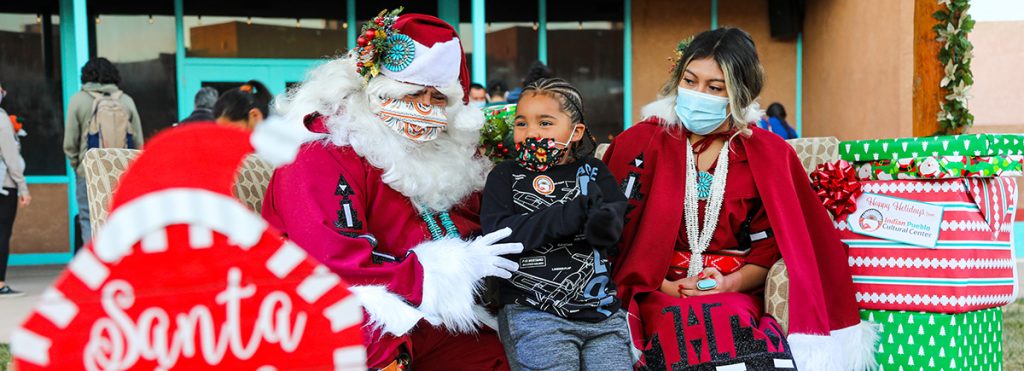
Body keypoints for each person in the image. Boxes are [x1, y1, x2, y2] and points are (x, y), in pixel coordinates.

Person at [602, 28, 877, 370]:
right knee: (671, 330)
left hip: (731, 295)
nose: (697, 93)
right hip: (653, 290)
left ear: (739, 94)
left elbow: (774, 246)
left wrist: (727, 282)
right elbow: (612, 234)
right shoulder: (639, 144)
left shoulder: (768, 155)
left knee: (730, 325)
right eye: (689, 81)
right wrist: (664, 284)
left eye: (714, 87)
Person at [265, 12, 519, 369]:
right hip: (360, 315)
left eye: (438, 98)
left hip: (449, 319)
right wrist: (446, 270)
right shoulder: (322, 152)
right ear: (376, 89)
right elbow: (333, 265)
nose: (426, 109)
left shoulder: (448, 148)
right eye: (414, 93)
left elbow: (479, 222)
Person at [481, 77, 632, 370]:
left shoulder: (594, 171)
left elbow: (614, 224)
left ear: (576, 132)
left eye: (545, 123)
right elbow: (499, 236)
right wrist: (571, 215)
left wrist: (604, 222)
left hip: (602, 315)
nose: (530, 132)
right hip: (534, 314)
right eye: (521, 123)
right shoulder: (504, 176)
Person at [63, 57, 143, 244]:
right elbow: (138, 141)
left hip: (89, 171)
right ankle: (120, 264)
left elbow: (69, 142)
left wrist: (79, 167)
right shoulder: (126, 101)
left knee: (89, 219)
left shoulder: (78, 100)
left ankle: (97, 266)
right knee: (121, 219)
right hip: (122, 172)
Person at [0, 83, 29, 297]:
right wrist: (22, 187)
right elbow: (11, 157)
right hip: (4, 186)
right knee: (2, 233)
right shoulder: (1, 119)